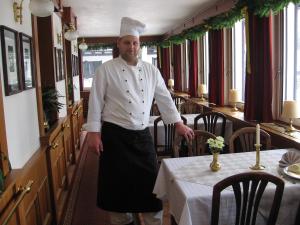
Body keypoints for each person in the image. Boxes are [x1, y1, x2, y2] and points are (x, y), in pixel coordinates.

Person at [84, 17, 194, 225]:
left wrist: (178, 123)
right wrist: (93, 133)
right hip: (114, 137)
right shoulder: (105, 70)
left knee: (151, 190)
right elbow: (96, 102)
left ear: (139, 45)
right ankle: (122, 221)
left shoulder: (151, 71)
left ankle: (153, 221)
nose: (131, 47)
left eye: (135, 42)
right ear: (119, 43)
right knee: (117, 193)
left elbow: (164, 98)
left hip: (142, 138)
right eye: (127, 42)